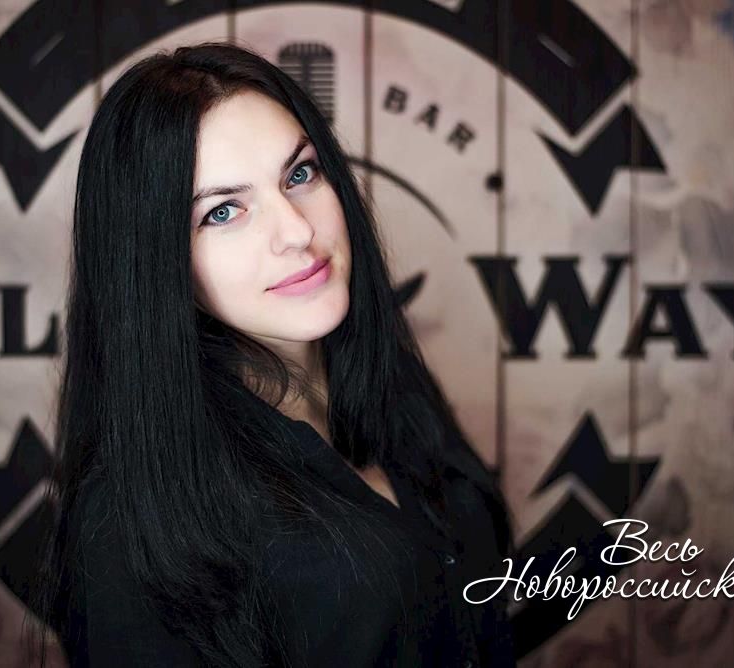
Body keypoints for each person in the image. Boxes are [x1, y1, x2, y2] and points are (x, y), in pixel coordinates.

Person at [25, 41, 516, 667]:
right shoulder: (126, 522)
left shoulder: (390, 386)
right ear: (154, 260)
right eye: (223, 212)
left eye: (300, 174)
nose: (297, 231)